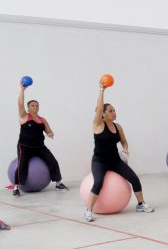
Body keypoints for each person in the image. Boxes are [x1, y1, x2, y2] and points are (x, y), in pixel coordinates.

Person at [84, 82, 155, 222]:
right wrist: (101, 91)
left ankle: (141, 204)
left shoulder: (118, 126)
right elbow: (99, 109)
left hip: (115, 160)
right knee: (98, 182)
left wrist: (126, 148)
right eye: (110, 110)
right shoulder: (98, 125)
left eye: (114, 110)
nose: (114, 112)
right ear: (102, 114)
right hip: (99, 161)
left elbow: (123, 141)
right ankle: (89, 210)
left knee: (134, 179)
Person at [13, 80, 68, 197]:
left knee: (53, 161)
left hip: (39, 147)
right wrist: (22, 89)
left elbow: (48, 130)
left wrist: (50, 134)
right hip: (24, 146)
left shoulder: (42, 119)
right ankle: (16, 187)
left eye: (37, 105)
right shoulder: (24, 116)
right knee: (22, 165)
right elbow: (20, 103)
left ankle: (58, 183)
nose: (35, 107)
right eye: (33, 105)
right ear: (28, 108)